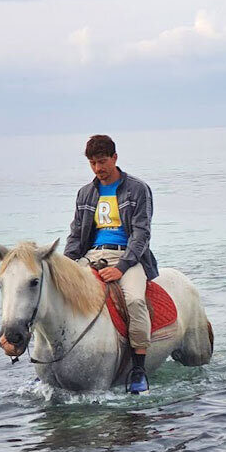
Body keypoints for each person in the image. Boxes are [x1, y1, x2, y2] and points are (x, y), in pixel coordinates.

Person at [64, 135, 158, 394]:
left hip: (128, 257)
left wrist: (123, 266)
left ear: (115, 158)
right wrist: (66, 266)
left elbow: (142, 234)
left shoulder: (137, 189)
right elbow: (76, 234)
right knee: (58, 297)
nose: (98, 168)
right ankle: (55, 365)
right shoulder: (85, 193)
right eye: (92, 163)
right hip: (91, 256)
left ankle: (138, 368)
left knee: (135, 301)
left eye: (102, 161)